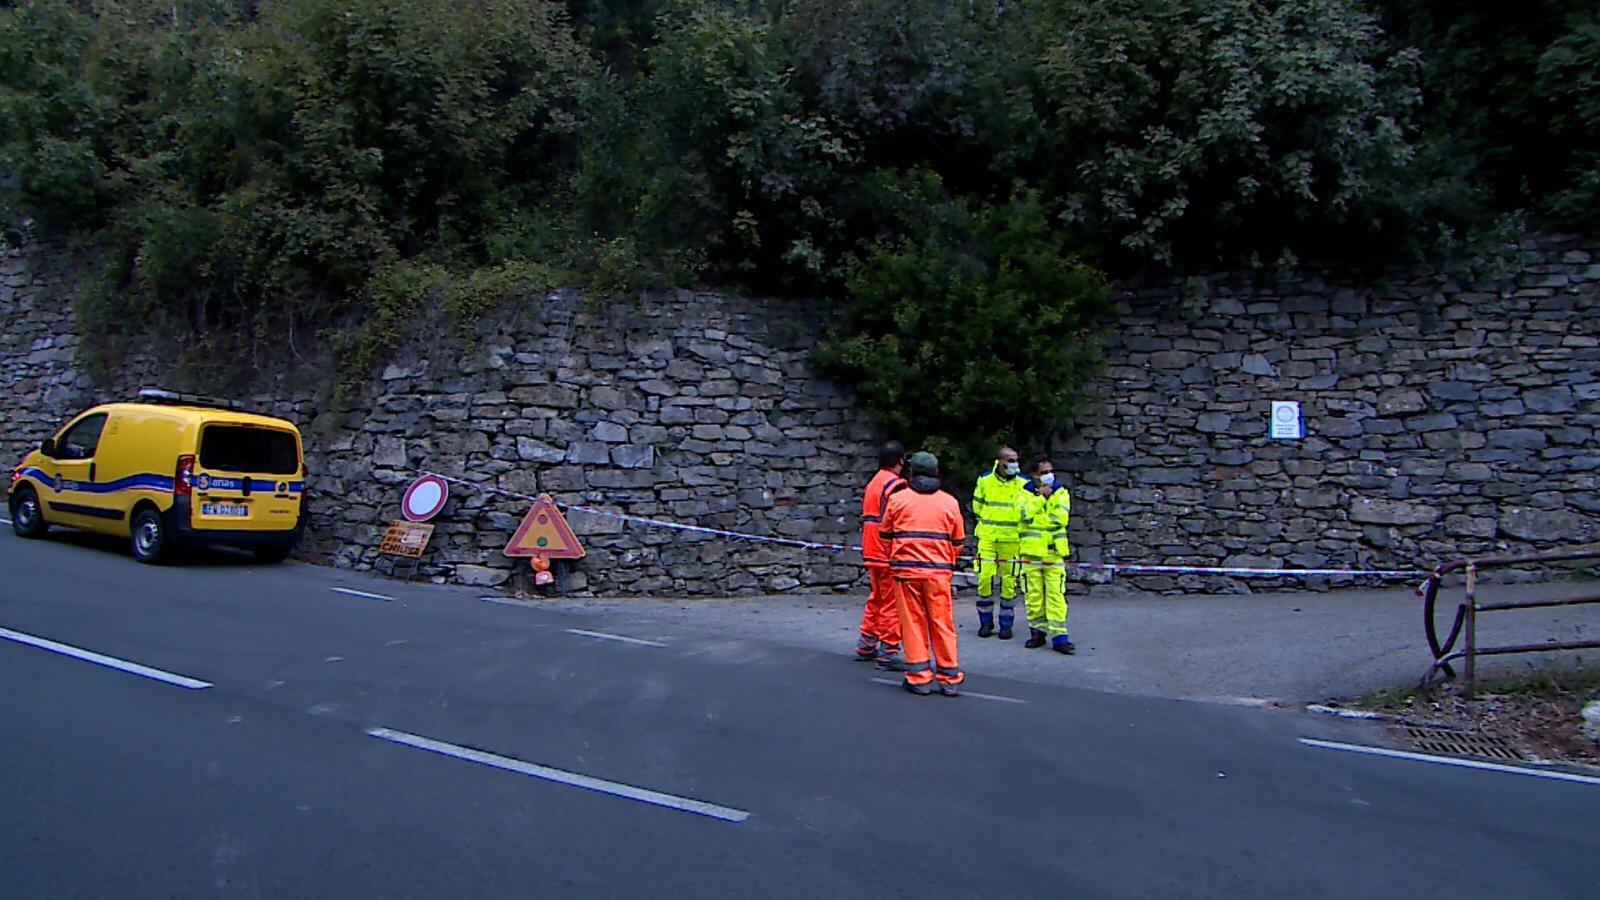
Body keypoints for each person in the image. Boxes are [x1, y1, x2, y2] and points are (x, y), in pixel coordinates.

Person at [882, 451, 967, 696]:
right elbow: (958, 541)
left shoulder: (898, 500)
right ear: (936, 473)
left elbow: (886, 535)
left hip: (906, 573)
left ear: (911, 473)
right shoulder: (949, 502)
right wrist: (945, 560)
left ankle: (919, 678)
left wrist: (899, 557)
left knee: (912, 624)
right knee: (942, 623)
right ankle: (950, 677)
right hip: (938, 574)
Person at [854, 440, 908, 669]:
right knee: (891, 603)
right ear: (901, 461)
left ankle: (866, 643)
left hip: (871, 549)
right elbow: (902, 518)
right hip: (888, 551)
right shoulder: (896, 485)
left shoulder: (874, 483)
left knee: (876, 598)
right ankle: (888, 650)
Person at [1018, 455, 1075, 654]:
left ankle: (1060, 637)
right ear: (1034, 475)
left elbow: (1060, 519)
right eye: (1044, 472)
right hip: (1031, 554)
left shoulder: (1061, 493)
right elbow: (1023, 515)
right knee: (1033, 595)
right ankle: (1037, 633)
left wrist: (1037, 516)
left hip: (1053, 553)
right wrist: (1041, 498)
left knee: (1056, 595)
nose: (1049, 475)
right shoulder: (1024, 493)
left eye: (1051, 471)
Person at [970, 445, 1026, 639]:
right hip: (988, 536)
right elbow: (977, 506)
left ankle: (1006, 625)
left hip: (1011, 539)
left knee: (1009, 582)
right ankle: (985, 623)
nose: (1014, 464)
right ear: (1000, 461)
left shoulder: (1024, 483)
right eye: (1010, 460)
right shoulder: (985, 480)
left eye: (1016, 460)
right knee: (984, 579)